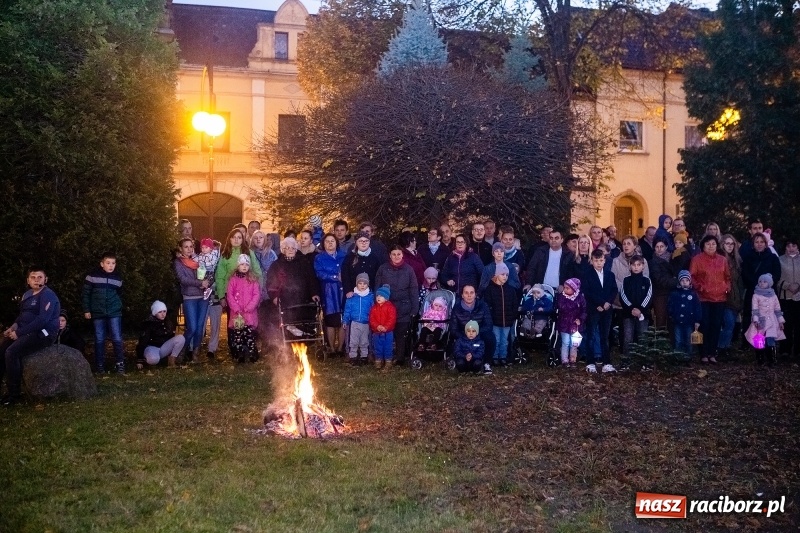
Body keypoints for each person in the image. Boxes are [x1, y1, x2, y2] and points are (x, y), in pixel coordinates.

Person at [0, 267, 60, 405]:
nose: (36, 280)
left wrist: (19, 333)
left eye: (40, 277)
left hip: (44, 333)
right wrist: (13, 327)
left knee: (11, 352)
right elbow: (22, 316)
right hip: (25, 330)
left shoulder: (47, 295)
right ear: (28, 280)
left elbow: (42, 320)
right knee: (2, 350)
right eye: (33, 277)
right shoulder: (27, 295)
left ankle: (14, 395)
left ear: (46, 279)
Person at [216, 229, 263, 354]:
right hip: (232, 295)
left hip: (249, 295)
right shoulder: (225, 255)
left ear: (243, 240)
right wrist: (221, 296)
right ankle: (235, 348)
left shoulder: (249, 253)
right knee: (234, 322)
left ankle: (249, 348)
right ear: (229, 239)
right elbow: (220, 276)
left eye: (239, 237)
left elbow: (258, 272)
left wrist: (260, 291)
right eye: (234, 237)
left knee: (249, 322)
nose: (236, 240)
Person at [690, 235, 731, 363]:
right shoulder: (697, 259)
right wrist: (700, 287)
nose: (711, 246)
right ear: (703, 246)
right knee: (704, 325)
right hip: (703, 298)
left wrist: (726, 288)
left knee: (716, 325)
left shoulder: (722, 260)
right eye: (708, 244)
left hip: (719, 298)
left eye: (713, 244)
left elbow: (728, 277)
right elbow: (692, 276)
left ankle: (712, 353)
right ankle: (703, 353)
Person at [82, 252, 124, 374]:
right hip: (97, 312)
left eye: (113, 263)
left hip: (114, 312)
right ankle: (99, 366)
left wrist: (118, 306)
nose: (111, 265)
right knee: (99, 338)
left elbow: (120, 294)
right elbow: (86, 294)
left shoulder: (117, 278)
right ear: (102, 264)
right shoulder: (92, 277)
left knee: (117, 338)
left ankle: (120, 364)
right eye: (108, 263)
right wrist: (87, 309)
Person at [376, 245, 419, 363]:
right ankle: (385, 356)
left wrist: (415, 309)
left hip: (404, 306)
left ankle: (400, 357)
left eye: (398, 254)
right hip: (386, 306)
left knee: (400, 333)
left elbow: (414, 289)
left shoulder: (409, 269)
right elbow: (377, 287)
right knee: (386, 332)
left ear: (402, 255)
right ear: (390, 255)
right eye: (394, 254)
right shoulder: (383, 269)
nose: (396, 257)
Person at [267, 237, 320, 328]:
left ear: (296, 249)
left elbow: (311, 278)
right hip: (285, 300)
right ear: (283, 250)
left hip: (303, 298)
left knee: (305, 321)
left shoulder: (304, 262)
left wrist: (314, 293)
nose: (290, 250)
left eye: (293, 248)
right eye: (288, 248)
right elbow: (271, 282)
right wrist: (274, 296)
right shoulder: (276, 265)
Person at [174, 238, 210, 362]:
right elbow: (182, 279)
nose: (189, 249)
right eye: (186, 247)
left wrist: (207, 281)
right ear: (181, 248)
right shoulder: (178, 262)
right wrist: (199, 283)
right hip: (189, 297)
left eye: (191, 246)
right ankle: (181, 352)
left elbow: (207, 273)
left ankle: (196, 353)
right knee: (192, 327)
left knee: (200, 327)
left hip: (203, 297)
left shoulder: (198, 260)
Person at [582, 249, 618, 373]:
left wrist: (608, 302)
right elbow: (587, 292)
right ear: (591, 261)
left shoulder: (610, 274)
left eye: (601, 260)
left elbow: (614, 290)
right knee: (591, 335)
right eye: (596, 260)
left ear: (604, 261)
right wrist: (600, 303)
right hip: (593, 308)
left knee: (605, 336)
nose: (598, 263)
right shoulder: (587, 274)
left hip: (607, 309)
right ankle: (590, 362)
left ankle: (606, 362)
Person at [450, 285, 495, 375]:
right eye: (466, 293)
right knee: (456, 341)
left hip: (479, 333)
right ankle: (461, 361)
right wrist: (466, 335)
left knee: (490, 337)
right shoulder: (457, 308)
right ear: (462, 295)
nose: (469, 295)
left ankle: (487, 363)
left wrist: (476, 334)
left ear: (475, 294)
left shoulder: (483, 306)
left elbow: (488, 324)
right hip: (463, 334)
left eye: (471, 293)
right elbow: (453, 329)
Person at [619, 255, 653, 370]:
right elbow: (623, 296)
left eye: (639, 265)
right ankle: (626, 362)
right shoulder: (626, 280)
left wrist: (640, 310)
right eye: (633, 265)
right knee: (628, 338)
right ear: (630, 266)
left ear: (643, 266)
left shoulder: (647, 280)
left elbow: (649, 296)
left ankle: (644, 362)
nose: (636, 267)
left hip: (643, 315)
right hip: (628, 315)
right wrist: (631, 309)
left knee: (643, 337)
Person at [315, 233, 347, 355]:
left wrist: (343, 277)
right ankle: (332, 348)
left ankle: (340, 348)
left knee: (343, 319)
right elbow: (319, 273)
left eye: (332, 241)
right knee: (330, 320)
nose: (330, 243)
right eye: (327, 241)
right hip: (329, 292)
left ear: (336, 242)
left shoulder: (344, 256)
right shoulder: (319, 258)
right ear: (323, 244)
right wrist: (334, 277)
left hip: (343, 290)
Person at [741, 232, 781, 329]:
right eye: (756, 242)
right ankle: (749, 341)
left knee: (768, 318)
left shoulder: (773, 258)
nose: (759, 244)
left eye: (762, 242)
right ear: (753, 244)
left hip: (769, 293)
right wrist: (756, 285)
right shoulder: (747, 258)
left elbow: (777, 274)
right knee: (750, 316)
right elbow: (745, 274)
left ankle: (767, 341)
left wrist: (766, 285)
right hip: (753, 292)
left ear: (766, 243)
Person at [228, 254, 262, 363]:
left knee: (249, 334)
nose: (244, 266)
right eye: (242, 264)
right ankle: (239, 354)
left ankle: (252, 353)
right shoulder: (233, 280)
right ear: (238, 265)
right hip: (237, 314)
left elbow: (256, 294)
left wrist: (250, 307)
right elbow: (230, 295)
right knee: (238, 334)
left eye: (247, 264)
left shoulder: (252, 279)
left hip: (249, 313)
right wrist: (236, 308)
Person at [746, 273, 785, 366]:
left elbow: (777, 309)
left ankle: (772, 359)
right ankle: (760, 359)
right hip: (760, 320)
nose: (762, 283)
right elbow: (754, 309)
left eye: (764, 281)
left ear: (769, 283)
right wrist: (756, 320)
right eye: (760, 281)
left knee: (770, 339)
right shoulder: (756, 295)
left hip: (772, 320)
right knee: (759, 338)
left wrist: (780, 321)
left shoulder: (773, 295)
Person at [135, 301, 185, 369]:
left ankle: (171, 361)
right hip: (151, 347)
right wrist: (139, 360)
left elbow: (170, 337)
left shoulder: (167, 321)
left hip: (163, 347)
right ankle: (148, 359)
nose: (163, 314)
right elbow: (142, 341)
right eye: (160, 312)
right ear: (155, 313)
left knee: (181, 338)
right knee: (153, 360)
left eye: (164, 311)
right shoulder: (148, 324)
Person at [718, 234, 744, 361]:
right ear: (722, 244)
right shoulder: (720, 259)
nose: (729, 246)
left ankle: (726, 347)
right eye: (727, 243)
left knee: (731, 325)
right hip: (724, 297)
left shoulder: (736, 260)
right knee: (728, 324)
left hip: (736, 296)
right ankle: (721, 348)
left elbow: (739, 281)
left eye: (732, 244)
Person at [484, 263, 516, 366]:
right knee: (496, 339)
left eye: (507, 275)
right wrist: (491, 317)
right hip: (495, 321)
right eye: (503, 274)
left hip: (507, 320)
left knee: (505, 340)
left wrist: (512, 315)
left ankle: (503, 356)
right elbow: (487, 305)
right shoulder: (490, 289)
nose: (505, 277)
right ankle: (494, 356)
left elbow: (514, 304)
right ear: (497, 275)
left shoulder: (510, 289)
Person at [667, 270, 702, 361]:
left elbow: (697, 308)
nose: (685, 282)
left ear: (690, 281)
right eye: (682, 281)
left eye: (687, 280)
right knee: (678, 339)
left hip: (689, 321)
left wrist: (697, 320)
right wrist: (672, 315)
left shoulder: (693, 294)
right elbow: (670, 305)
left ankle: (688, 357)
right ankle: (678, 356)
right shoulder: (675, 294)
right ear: (679, 282)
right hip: (677, 321)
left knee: (689, 340)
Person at [342, 273, 373, 365]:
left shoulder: (370, 297)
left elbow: (373, 310)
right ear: (356, 284)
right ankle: (353, 356)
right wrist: (345, 320)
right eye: (360, 283)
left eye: (365, 283)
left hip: (366, 323)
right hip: (354, 323)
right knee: (353, 341)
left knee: (364, 341)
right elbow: (347, 310)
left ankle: (364, 356)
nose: (362, 285)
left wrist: (372, 320)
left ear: (368, 284)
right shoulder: (352, 297)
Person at [555, 278, 586, 368]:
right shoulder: (561, 297)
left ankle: (573, 359)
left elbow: (584, 310)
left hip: (575, 325)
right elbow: (562, 307)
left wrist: (580, 319)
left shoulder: (580, 298)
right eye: (564, 287)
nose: (565, 289)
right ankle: (564, 360)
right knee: (566, 342)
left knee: (574, 343)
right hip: (564, 323)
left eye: (568, 288)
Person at [341, 231, 383, 297]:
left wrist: (376, 291)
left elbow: (378, 276)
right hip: (353, 294)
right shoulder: (350, 257)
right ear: (356, 242)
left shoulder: (374, 258)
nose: (364, 243)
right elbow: (345, 275)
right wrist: (348, 290)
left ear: (369, 242)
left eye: (366, 241)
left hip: (370, 294)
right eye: (360, 241)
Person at [777, 238, 800, 361]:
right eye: (788, 246)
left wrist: (798, 286)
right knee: (786, 324)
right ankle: (785, 350)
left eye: (794, 246)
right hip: (785, 297)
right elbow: (776, 278)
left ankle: (798, 351)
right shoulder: (780, 260)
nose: (791, 248)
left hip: (799, 297)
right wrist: (787, 285)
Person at [648, 238, 676, 329]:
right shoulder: (653, 262)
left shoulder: (673, 258)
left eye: (662, 246)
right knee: (661, 320)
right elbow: (658, 279)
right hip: (659, 294)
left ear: (666, 247)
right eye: (657, 247)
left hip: (672, 293)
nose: (659, 249)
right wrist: (675, 281)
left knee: (672, 319)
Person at [370, 285, 396, 370]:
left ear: (386, 298)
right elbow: (372, 319)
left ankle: (388, 361)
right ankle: (378, 360)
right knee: (378, 346)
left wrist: (386, 327)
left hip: (387, 332)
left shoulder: (390, 307)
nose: (378, 297)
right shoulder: (374, 308)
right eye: (377, 295)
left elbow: (391, 319)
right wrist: (377, 326)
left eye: (381, 296)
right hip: (377, 332)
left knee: (388, 347)